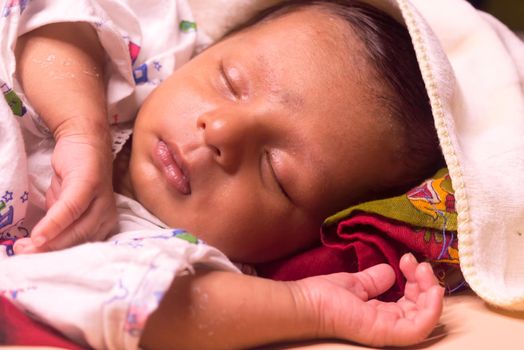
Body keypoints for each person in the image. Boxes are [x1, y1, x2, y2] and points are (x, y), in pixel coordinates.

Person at [0, 0, 444, 348]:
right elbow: (55, 19)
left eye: (276, 172)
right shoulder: (148, 55)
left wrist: (305, 305)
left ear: (298, 242)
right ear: (206, 49)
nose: (221, 131)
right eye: (230, 81)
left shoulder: (169, 254)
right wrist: (80, 127)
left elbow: (161, 310)